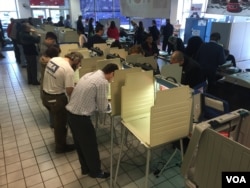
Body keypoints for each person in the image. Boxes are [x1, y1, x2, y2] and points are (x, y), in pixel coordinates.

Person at [66, 63, 119, 178]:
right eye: (114, 76)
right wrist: (111, 105)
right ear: (112, 73)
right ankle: (95, 172)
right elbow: (102, 108)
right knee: (91, 147)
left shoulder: (90, 74)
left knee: (80, 145)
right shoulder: (102, 82)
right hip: (81, 119)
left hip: (71, 114)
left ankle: (85, 168)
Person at [42, 52, 83, 153]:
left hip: (45, 96)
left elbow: (57, 77)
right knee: (61, 125)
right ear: (76, 61)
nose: (79, 66)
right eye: (79, 64)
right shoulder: (68, 70)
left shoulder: (55, 59)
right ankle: (61, 147)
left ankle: (56, 132)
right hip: (56, 100)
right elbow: (69, 91)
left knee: (56, 120)